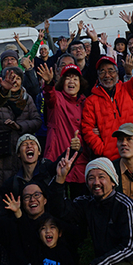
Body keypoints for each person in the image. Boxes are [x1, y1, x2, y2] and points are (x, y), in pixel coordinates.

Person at [82, 36, 133, 162]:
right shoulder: (91, 101)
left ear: (117, 72)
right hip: (108, 159)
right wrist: (102, 150)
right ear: (98, 76)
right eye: (102, 72)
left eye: (111, 70)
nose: (107, 75)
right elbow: (87, 129)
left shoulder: (128, 89)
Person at [39, 63, 89, 198]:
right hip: (57, 157)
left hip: (80, 161)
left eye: (75, 78)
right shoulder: (57, 98)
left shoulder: (86, 102)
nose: (71, 81)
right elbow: (50, 96)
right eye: (67, 78)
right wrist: (49, 83)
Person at [0, 65, 43, 189]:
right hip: (2, 149)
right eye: (11, 78)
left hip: (22, 149)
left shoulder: (27, 98)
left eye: (18, 78)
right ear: (3, 80)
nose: (15, 81)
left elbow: (37, 121)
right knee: (3, 188)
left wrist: (20, 126)